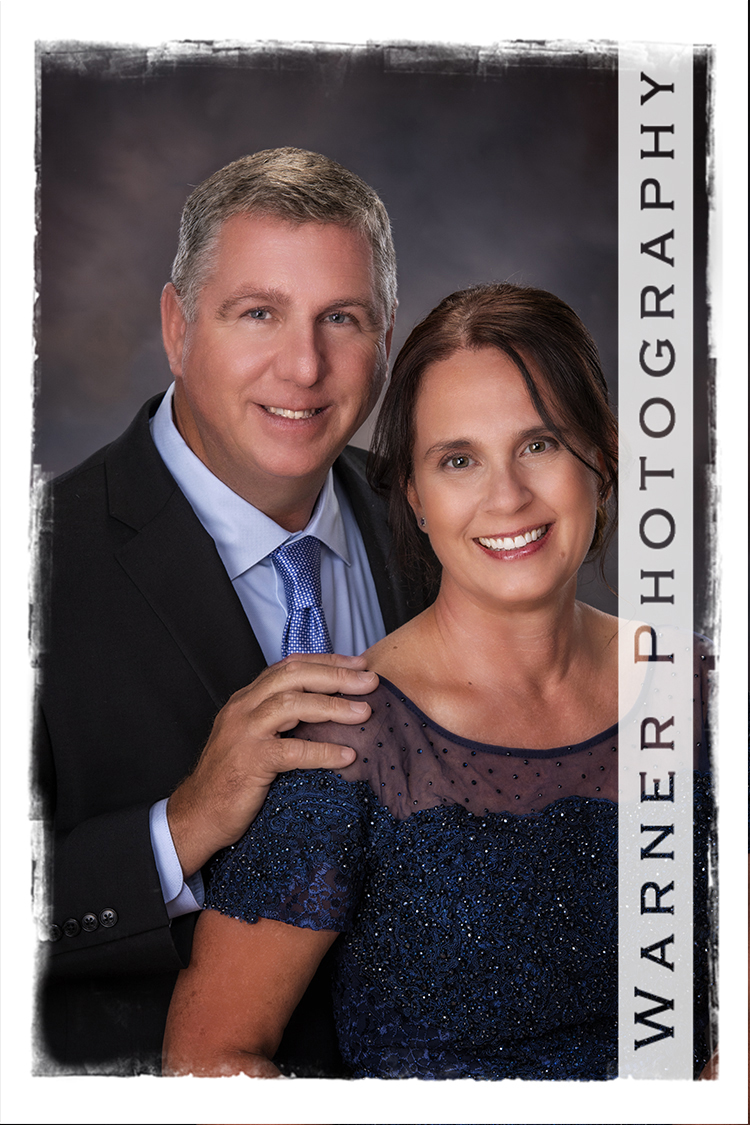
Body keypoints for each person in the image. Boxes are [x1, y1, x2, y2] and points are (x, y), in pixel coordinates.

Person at [162, 283, 714, 1080]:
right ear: (415, 498)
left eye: (541, 444)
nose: (507, 496)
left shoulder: (703, 695)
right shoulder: (341, 739)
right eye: (460, 460)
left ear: (605, 454)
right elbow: (208, 1058)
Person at [35, 148, 433, 1075]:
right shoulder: (36, 566)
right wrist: (179, 826)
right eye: (259, 313)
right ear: (178, 326)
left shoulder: (437, 526)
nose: (304, 365)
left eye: (342, 318)